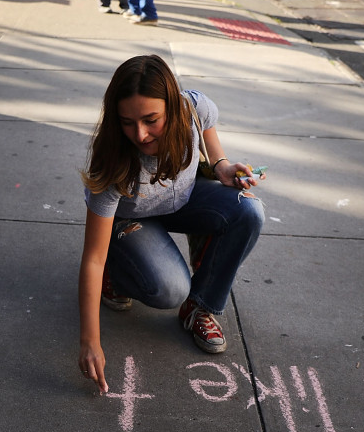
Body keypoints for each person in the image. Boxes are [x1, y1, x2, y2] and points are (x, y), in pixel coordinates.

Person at [77, 55, 266, 394]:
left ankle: (200, 307)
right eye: (127, 122)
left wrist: (221, 164)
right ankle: (118, 278)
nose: (140, 134)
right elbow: (93, 257)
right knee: (169, 289)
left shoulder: (193, 108)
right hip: (131, 220)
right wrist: (90, 340)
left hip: (183, 199)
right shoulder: (112, 160)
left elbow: (208, 131)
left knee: (249, 211)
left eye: (151, 119)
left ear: (173, 108)